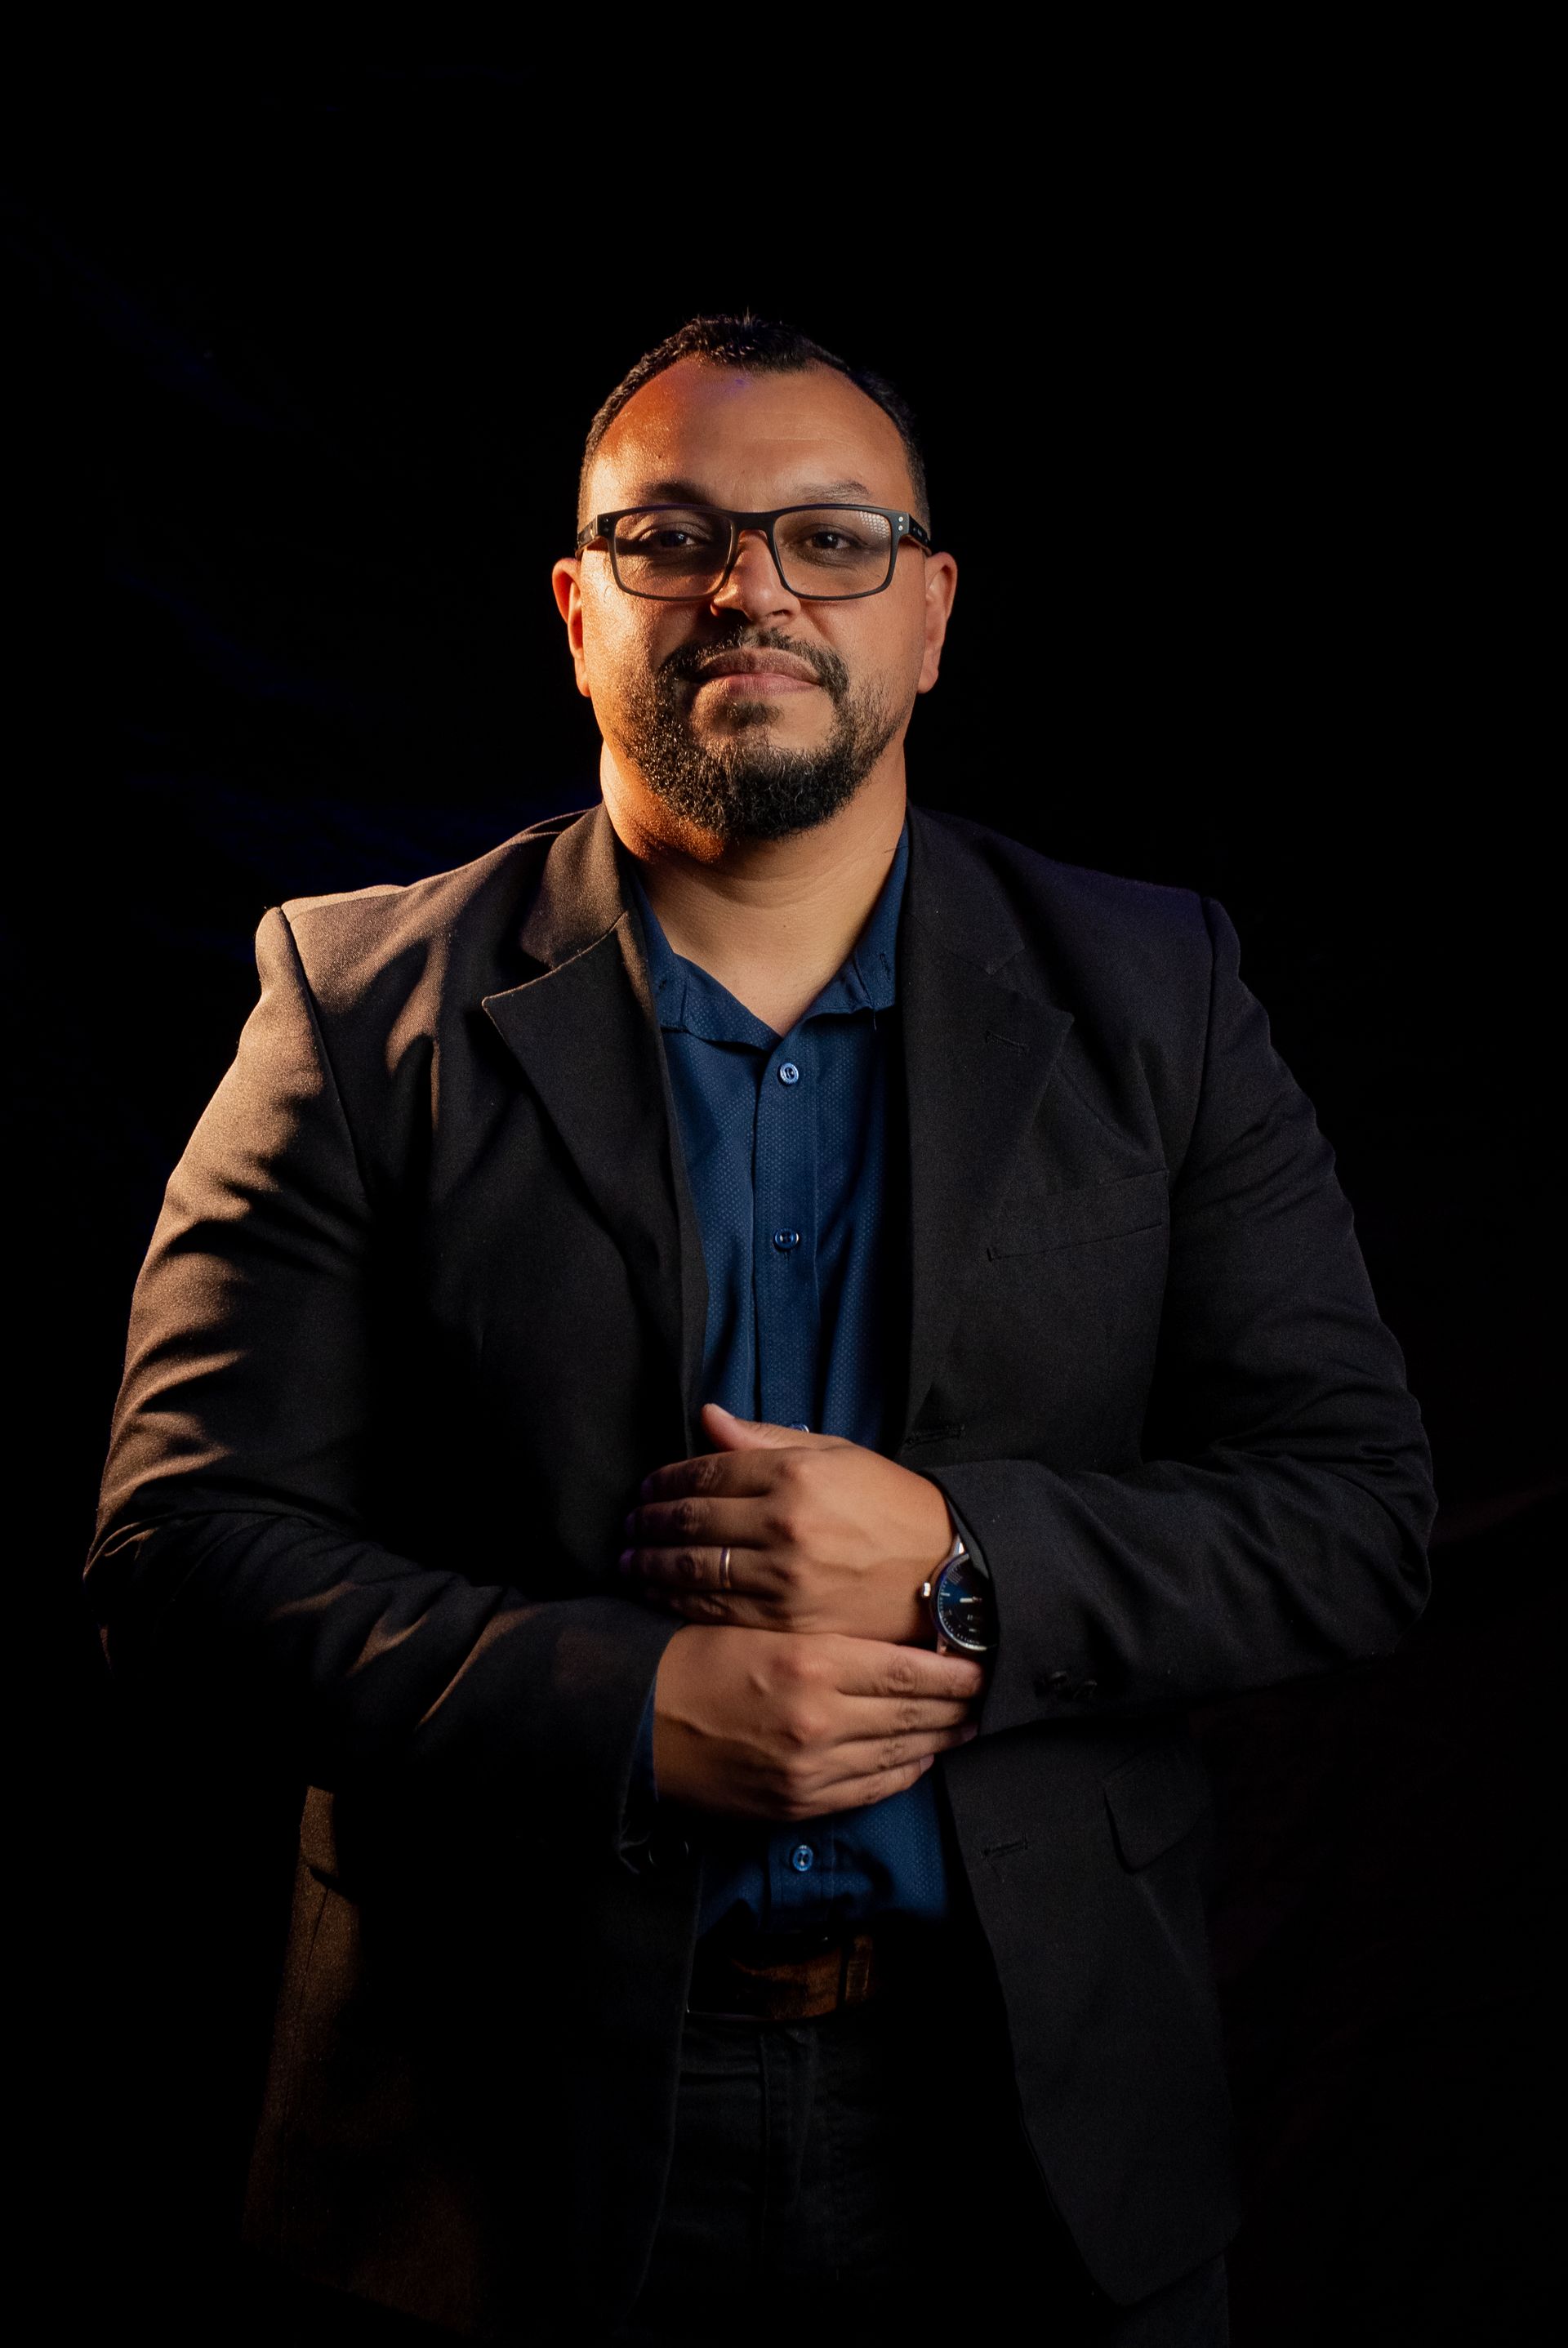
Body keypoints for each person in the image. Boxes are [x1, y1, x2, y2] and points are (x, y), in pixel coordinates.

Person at [89, 315, 1434, 2346]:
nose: (753, 591)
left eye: (831, 540)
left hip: (1034, 2124)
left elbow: (1356, 1518)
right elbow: (175, 1557)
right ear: (575, 607)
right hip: (486, 2149)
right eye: (674, 539)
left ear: (931, 614)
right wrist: (631, 1714)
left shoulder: (1163, 995)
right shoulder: (352, 1009)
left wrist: (965, 1565)